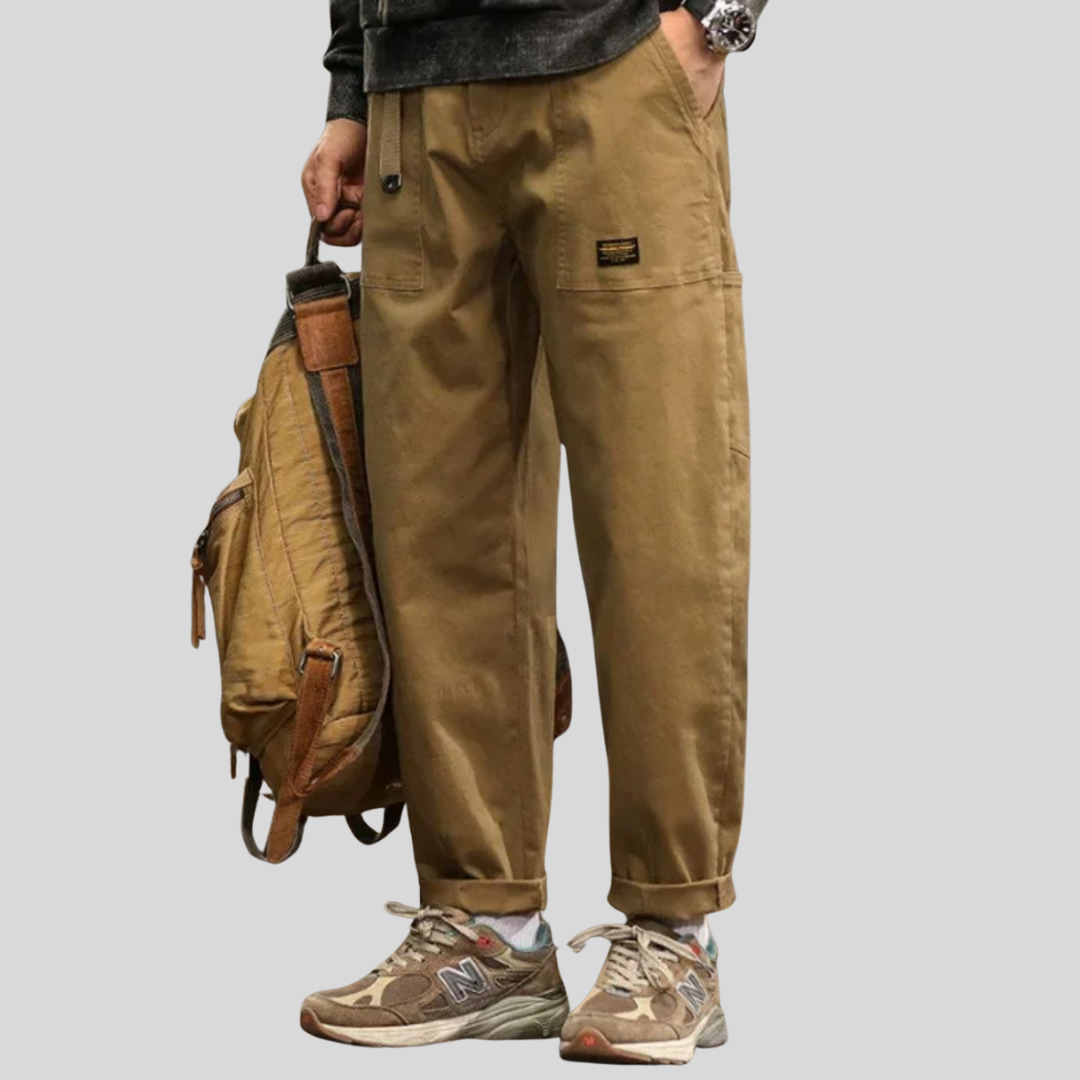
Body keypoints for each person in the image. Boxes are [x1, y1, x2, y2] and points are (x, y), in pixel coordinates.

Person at [297, 0, 763, 1064]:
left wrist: (721, 19)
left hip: (612, 65)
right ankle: (487, 932)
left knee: (658, 517)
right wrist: (351, 86)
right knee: (440, 533)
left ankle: (675, 935)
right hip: (413, 99)